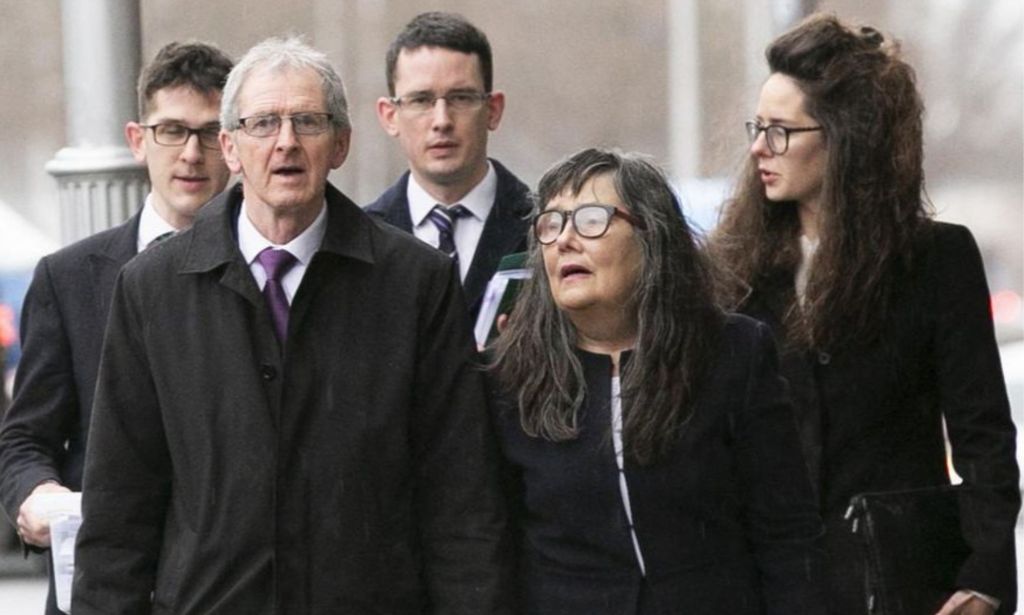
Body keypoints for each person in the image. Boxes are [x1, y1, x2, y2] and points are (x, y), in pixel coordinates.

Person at [70, 36, 509, 615]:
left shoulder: (415, 283)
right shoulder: (153, 288)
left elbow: (460, 497)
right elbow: (119, 509)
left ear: (342, 144)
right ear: (229, 147)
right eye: (262, 124)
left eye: (308, 121)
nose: (286, 143)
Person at [710, 14, 1019, 615]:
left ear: (844, 135)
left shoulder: (936, 260)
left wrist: (985, 577)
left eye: (780, 131)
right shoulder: (732, 267)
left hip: (903, 579)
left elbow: (983, 436)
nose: (757, 149)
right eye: (757, 127)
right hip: (768, 581)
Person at [489, 147, 826, 615]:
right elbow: (490, 546)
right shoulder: (509, 377)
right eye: (551, 224)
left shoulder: (733, 353)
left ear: (652, 235)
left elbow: (787, 534)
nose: (564, 240)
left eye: (590, 219)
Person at [0, 41, 232, 615]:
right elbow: (26, 436)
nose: (191, 154)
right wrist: (33, 493)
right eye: (172, 131)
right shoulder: (68, 277)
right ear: (137, 140)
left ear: (233, 142)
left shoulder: (274, 270)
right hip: (101, 582)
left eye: (209, 132)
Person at [367, 11, 531, 321]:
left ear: (493, 110)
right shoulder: (358, 239)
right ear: (390, 116)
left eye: (461, 98)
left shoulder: (546, 230)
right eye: (421, 100)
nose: (442, 121)